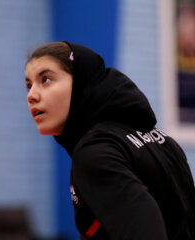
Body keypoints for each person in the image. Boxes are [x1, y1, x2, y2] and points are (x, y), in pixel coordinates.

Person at [25, 41, 195, 240]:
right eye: (28, 85)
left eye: (45, 80)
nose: (31, 95)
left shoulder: (94, 152)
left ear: (81, 81)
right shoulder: (161, 138)